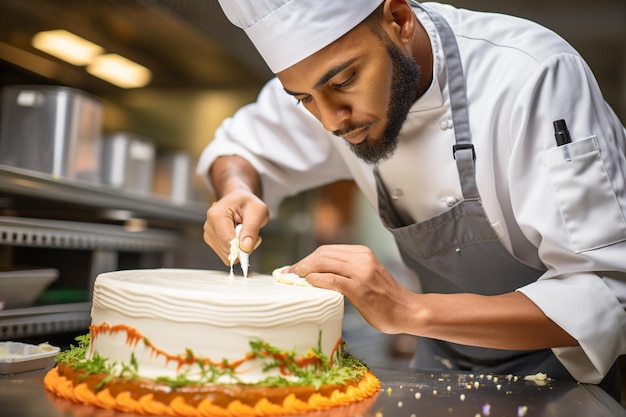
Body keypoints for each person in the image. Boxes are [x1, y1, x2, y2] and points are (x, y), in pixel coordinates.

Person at [197, 0, 626, 401]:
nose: (329, 120)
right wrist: (236, 189)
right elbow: (240, 149)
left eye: (344, 80)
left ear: (399, 20)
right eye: (304, 99)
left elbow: (607, 292)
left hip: (575, 380)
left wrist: (411, 310)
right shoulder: (320, 81)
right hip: (441, 369)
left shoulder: (532, 74)